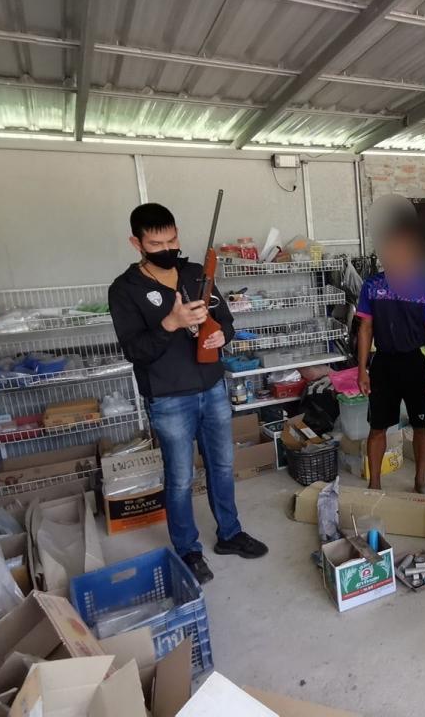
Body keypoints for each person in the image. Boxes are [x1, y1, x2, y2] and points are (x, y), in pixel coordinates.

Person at [109, 203, 268, 586]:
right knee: (180, 478)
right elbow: (135, 350)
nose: (167, 248)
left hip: (212, 386)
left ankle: (230, 533)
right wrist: (170, 323)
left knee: (222, 466)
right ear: (136, 243)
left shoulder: (196, 274)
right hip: (168, 397)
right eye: (156, 243)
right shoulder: (125, 289)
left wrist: (221, 335)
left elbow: (226, 320)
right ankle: (188, 550)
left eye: (172, 239)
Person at [356, 205, 425, 493]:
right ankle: (375, 485)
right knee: (377, 427)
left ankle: (420, 481)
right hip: (383, 363)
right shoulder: (372, 286)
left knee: (422, 426)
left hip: (415, 363)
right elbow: (365, 328)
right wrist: (362, 370)